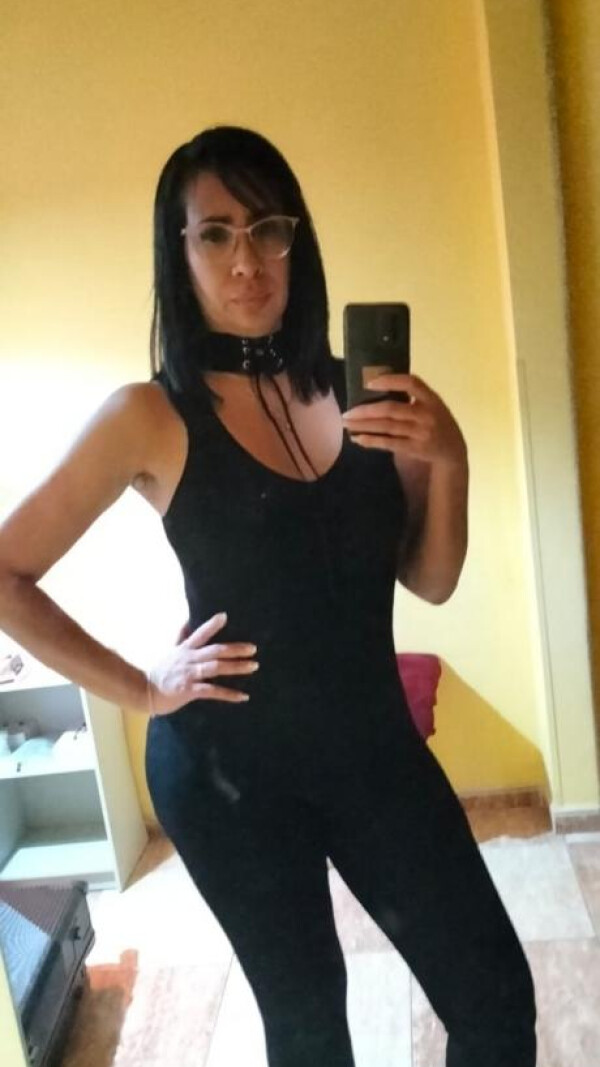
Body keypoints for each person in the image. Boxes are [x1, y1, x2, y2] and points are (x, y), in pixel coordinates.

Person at [0, 126, 536, 1066]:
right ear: (179, 253)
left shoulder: (364, 391)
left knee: (497, 999)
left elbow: (431, 577)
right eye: (215, 233)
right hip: (229, 775)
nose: (247, 261)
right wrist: (142, 686)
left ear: (298, 239)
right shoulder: (150, 415)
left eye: (268, 229)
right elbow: (8, 573)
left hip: (372, 747)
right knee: (310, 1027)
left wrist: (449, 458)